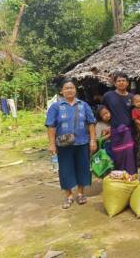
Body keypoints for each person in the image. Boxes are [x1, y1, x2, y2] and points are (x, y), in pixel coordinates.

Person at [46, 79, 97, 209]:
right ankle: (68, 196)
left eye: (72, 88)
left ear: (75, 90)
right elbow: (51, 126)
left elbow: (91, 123)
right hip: (63, 144)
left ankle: (80, 194)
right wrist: (51, 144)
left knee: (83, 167)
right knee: (65, 169)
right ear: (61, 91)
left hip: (82, 142)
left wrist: (92, 140)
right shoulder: (56, 107)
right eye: (66, 88)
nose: (69, 90)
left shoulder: (83, 105)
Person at [102, 72, 136, 174]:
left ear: (127, 83)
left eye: (123, 80)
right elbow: (102, 109)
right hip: (115, 131)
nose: (121, 83)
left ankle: (130, 176)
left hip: (129, 131)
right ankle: (118, 177)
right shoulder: (108, 96)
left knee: (129, 155)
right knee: (117, 155)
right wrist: (105, 120)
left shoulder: (132, 97)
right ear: (115, 83)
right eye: (119, 81)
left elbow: (136, 113)